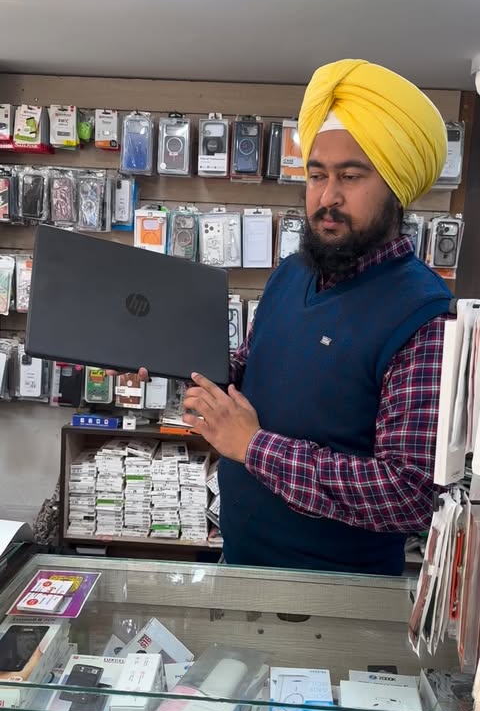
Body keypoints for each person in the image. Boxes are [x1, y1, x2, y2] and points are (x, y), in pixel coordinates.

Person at [148, 59, 453, 575]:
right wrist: (175, 360)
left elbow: (409, 493)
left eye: (350, 176)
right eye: (316, 175)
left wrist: (253, 446)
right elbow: (251, 369)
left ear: (396, 188)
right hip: (241, 560)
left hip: (336, 593)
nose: (327, 197)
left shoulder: (423, 315)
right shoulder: (290, 274)